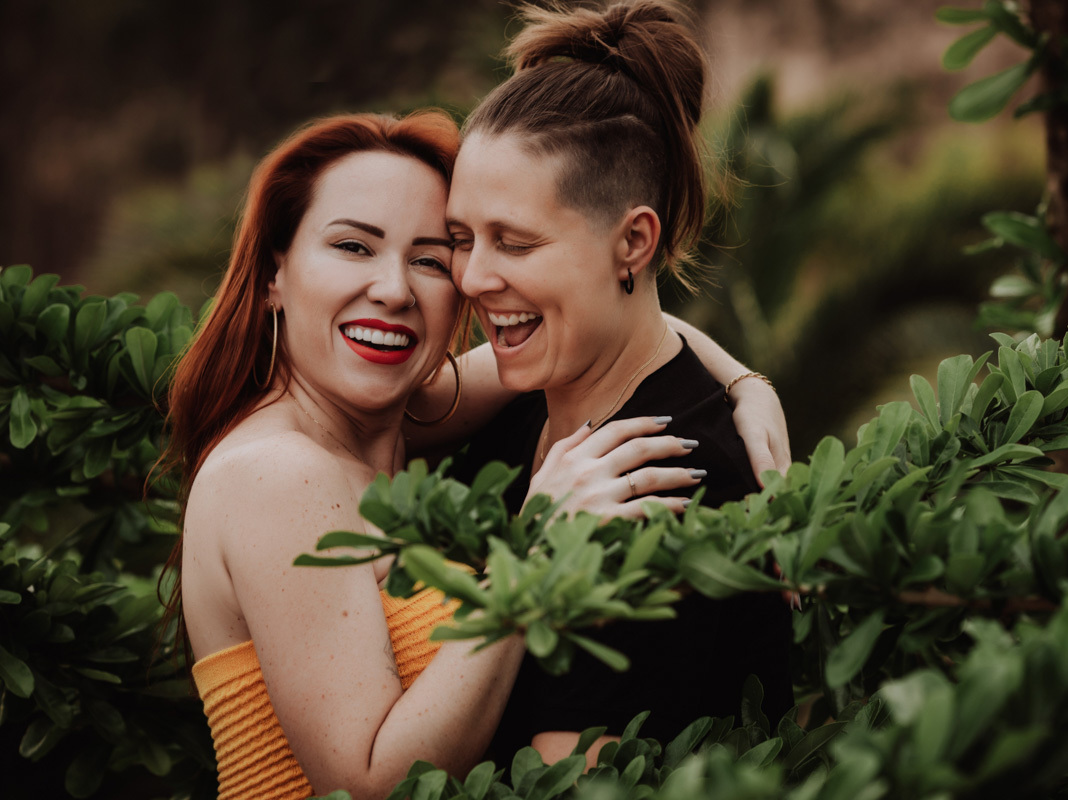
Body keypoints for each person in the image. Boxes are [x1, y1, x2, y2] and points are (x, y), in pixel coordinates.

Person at [164, 109, 789, 798]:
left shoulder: (408, 413)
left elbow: (608, 319)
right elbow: (368, 785)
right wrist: (531, 559)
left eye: (432, 257)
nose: (394, 290)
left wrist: (745, 386)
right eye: (352, 247)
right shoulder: (278, 474)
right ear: (272, 275)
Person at [444, 0, 794, 767]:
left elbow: (568, 780)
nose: (472, 277)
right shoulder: (520, 401)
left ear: (633, 241)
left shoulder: (660, 483)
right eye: (461, 238)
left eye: (515, 241)